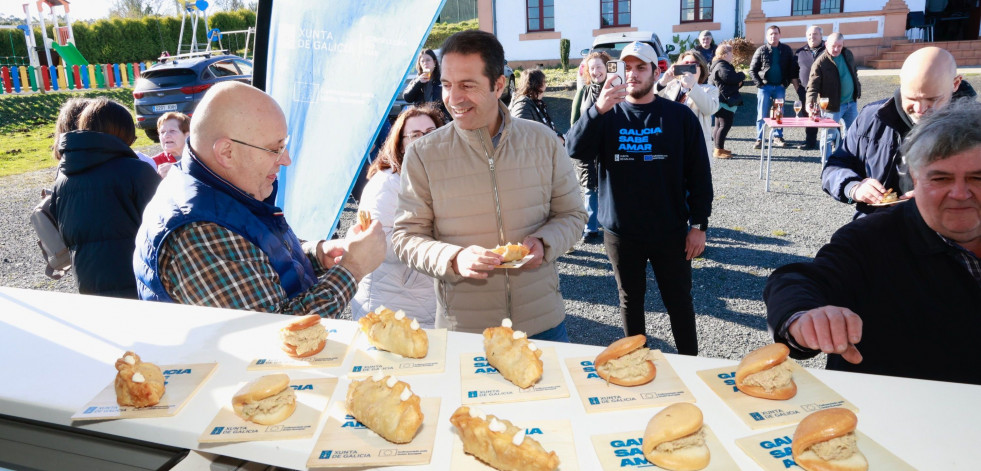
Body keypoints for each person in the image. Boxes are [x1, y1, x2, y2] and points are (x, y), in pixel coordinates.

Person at [764, 99, 981, 386]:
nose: (959, 193)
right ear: (914, 178)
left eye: (977, 178)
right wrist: (804, 317)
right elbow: (796, 280)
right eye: (940, 178)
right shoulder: (872, 238)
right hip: (893, 418)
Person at [391, 30, 586, 340]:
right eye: (446, 85)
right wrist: (453, 258)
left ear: (498, 85)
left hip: (543, 323)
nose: (453, 99)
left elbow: (573, 216)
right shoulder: (423, 154)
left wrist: (545, 242)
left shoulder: (544, 142)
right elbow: (405, 237)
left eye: (467, 85)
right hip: (465, 332)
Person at [134, 81, 386, 316]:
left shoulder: (215, 188)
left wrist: (316, 254)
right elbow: (278, 335)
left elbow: (256, 253)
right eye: (275, 148)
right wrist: (352, 269)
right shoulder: (197, 233)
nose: (286, 159)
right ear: (227, 152)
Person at [566, 41, 713, 355]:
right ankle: (635, 362)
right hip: (621, 233)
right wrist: (597, 109)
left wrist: (699, 225)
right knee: (630, 301)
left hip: (670, 231)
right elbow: (574, 149)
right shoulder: (605, 114)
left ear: (656, 71)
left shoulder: (679, 117)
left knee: (679, 302)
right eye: (626, 67)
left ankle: (690, 363)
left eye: (640, 67)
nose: (632, 74)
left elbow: (699, 175)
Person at [822, 47, 965, 219]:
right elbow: (836, 165)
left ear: (955, 83)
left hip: (945, 238)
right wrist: (853, 187)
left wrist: (941, 198)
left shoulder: (974, 130)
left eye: (932, 99)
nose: (920, 109)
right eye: (911, 98)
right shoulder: (871, 117)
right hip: (875, 228)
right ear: (901, 82)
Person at [50, 98, 161, 299]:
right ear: (124, 133)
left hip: (88, 285)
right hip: (139, 285)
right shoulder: (136, 171)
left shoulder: (63, 180)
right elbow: (164, 228)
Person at [351, 104, 444, 328]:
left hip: (423, 296)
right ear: (401, 145)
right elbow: (377, 243)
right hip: (391, 301)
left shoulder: (440, 177)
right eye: (414, 135)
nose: (424, 140)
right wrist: (441, 241)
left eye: (431, 133)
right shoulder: (386, 183)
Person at [570, 51, 611, 242]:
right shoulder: (583, 92)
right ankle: (591, 226)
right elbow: (574, 124)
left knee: (611, 185)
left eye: (599, 67)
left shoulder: (618, 89)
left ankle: (611, 221)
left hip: (611, 147)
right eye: (592, 68)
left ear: (607, 68)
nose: (596, 71)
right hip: (588, 149)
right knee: (589, 187)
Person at [657, 50, 719, 162]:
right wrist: (663, 81)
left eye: (693, 65)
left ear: (701, 69)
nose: (688, 67)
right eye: (685, 64)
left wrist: (693, 86)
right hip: (670, 142)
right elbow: (649, 102)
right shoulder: (670, 85)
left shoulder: (709, 90)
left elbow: (709, 109)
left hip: (694, 145)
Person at [806, 32, 861, 159]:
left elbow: (854, 72)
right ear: (826, 45)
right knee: (828, 135)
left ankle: (846, 162)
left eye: (839, 46)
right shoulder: (820, 62)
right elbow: (812, 86)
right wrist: (810, 102)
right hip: (832, 106)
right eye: (833, 46)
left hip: (851, 103)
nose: (836, 49)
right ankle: (827, 165)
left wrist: (857, 87)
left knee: (851, 135)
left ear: (843, 45)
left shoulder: (848, 54)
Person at [750, 25, 797, 149]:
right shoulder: (761, 50)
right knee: (761, 114)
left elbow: (791, 68)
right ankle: (760, 139)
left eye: (775, 33)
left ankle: (777, 136)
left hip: (779, 87)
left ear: (779, 35)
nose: (773, 36)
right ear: (767, 36)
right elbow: (752, 70)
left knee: (778, 113)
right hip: (765, 87)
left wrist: (785, 83)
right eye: (770, 34)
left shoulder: (786, 50)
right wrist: (760, 84)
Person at [710, 42, 745, 159]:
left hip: (720, 99)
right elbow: (731, 78)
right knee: (724, 125)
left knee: (718, 125)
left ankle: (718, 148)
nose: (733, 56)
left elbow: (728, 82)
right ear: (724, 54)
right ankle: (718, 150)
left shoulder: (717, 65)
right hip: (724, 100)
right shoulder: (722, 66)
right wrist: (741, 75)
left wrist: (738, 82)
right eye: (731, 53)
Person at [793, 25, 825, 151]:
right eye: (810, 35)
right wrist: (798, 89)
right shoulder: (800, 52)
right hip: (805, 91)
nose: (812, 37)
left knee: (828, 116)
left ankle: (832, 141)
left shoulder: (827, 50)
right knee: (808, 116)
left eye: (815, 34)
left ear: (821, 36)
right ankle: (810, 142)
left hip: (825, 92)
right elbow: (794, 73)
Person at [508, 68, 563, 141]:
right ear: (537, 85)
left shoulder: (535, 102)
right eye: (544, 82)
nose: (545, 85)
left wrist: (559, 138)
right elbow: (520, 138)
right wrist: (553, 142)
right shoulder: (522, 106)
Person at [402, 49, 449, 120]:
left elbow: (450, 100)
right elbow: (407, 98)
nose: (425, 63)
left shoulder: (443, 78)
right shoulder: (417, 79)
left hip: (440, 119)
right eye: (422, 61)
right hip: (422, 118)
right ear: (420, 64)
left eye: (428, 60)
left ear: (434, 62)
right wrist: (418, 83)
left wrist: (443, 116)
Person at [151, 111, 190, 178]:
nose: (166, 135)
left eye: (172, 131)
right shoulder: (153, 163)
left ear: (187, 135)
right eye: (162, 132)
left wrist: (177, 171)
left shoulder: (201, 159)